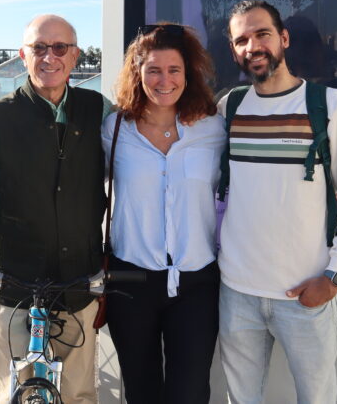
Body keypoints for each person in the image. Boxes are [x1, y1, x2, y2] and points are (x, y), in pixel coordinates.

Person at [0, 14, 113, 404]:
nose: (50, 57)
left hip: (78, 285)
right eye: (39, 48)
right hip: (14, 286)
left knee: (80, 395)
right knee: (12, 394)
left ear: (75, 55)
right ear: (23, 56)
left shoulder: (99, 110)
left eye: (60, 47)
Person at [217, 0, 337, 404]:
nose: (252, 46)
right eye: (241, 40)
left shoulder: (331, 106)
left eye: (262, 34)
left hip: (305, 295)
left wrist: (335, 276)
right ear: (233, 50)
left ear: (284, 38)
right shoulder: (229, 107)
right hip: (237, 293)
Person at [102, 23, 225, 403]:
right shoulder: (114, 129)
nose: (164, 80)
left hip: (196, 284)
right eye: (153, 70)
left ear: (188, 74)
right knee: (141, 392)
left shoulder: (213, 129)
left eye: (174, 70)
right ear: (138, 73)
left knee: (189, 393)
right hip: (131, 281)